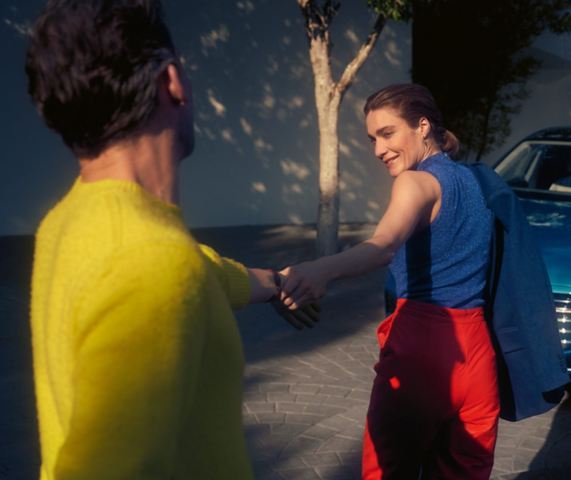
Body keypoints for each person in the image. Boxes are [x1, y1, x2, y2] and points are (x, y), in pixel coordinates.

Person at [25, 1, 317, 478]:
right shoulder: (152, 262)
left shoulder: (68, 221)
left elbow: (202, 273)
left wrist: (277, 282)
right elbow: (165, 272)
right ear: (173, 81)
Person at [278, 83, 499, 478]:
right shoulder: (474, 181)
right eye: (372, 138)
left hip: (423, 349)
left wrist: (319, 269)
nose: (378, 150)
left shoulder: (413, 184)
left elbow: (382, 246)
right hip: (478, 356)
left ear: (423, 126)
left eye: (387, 133)